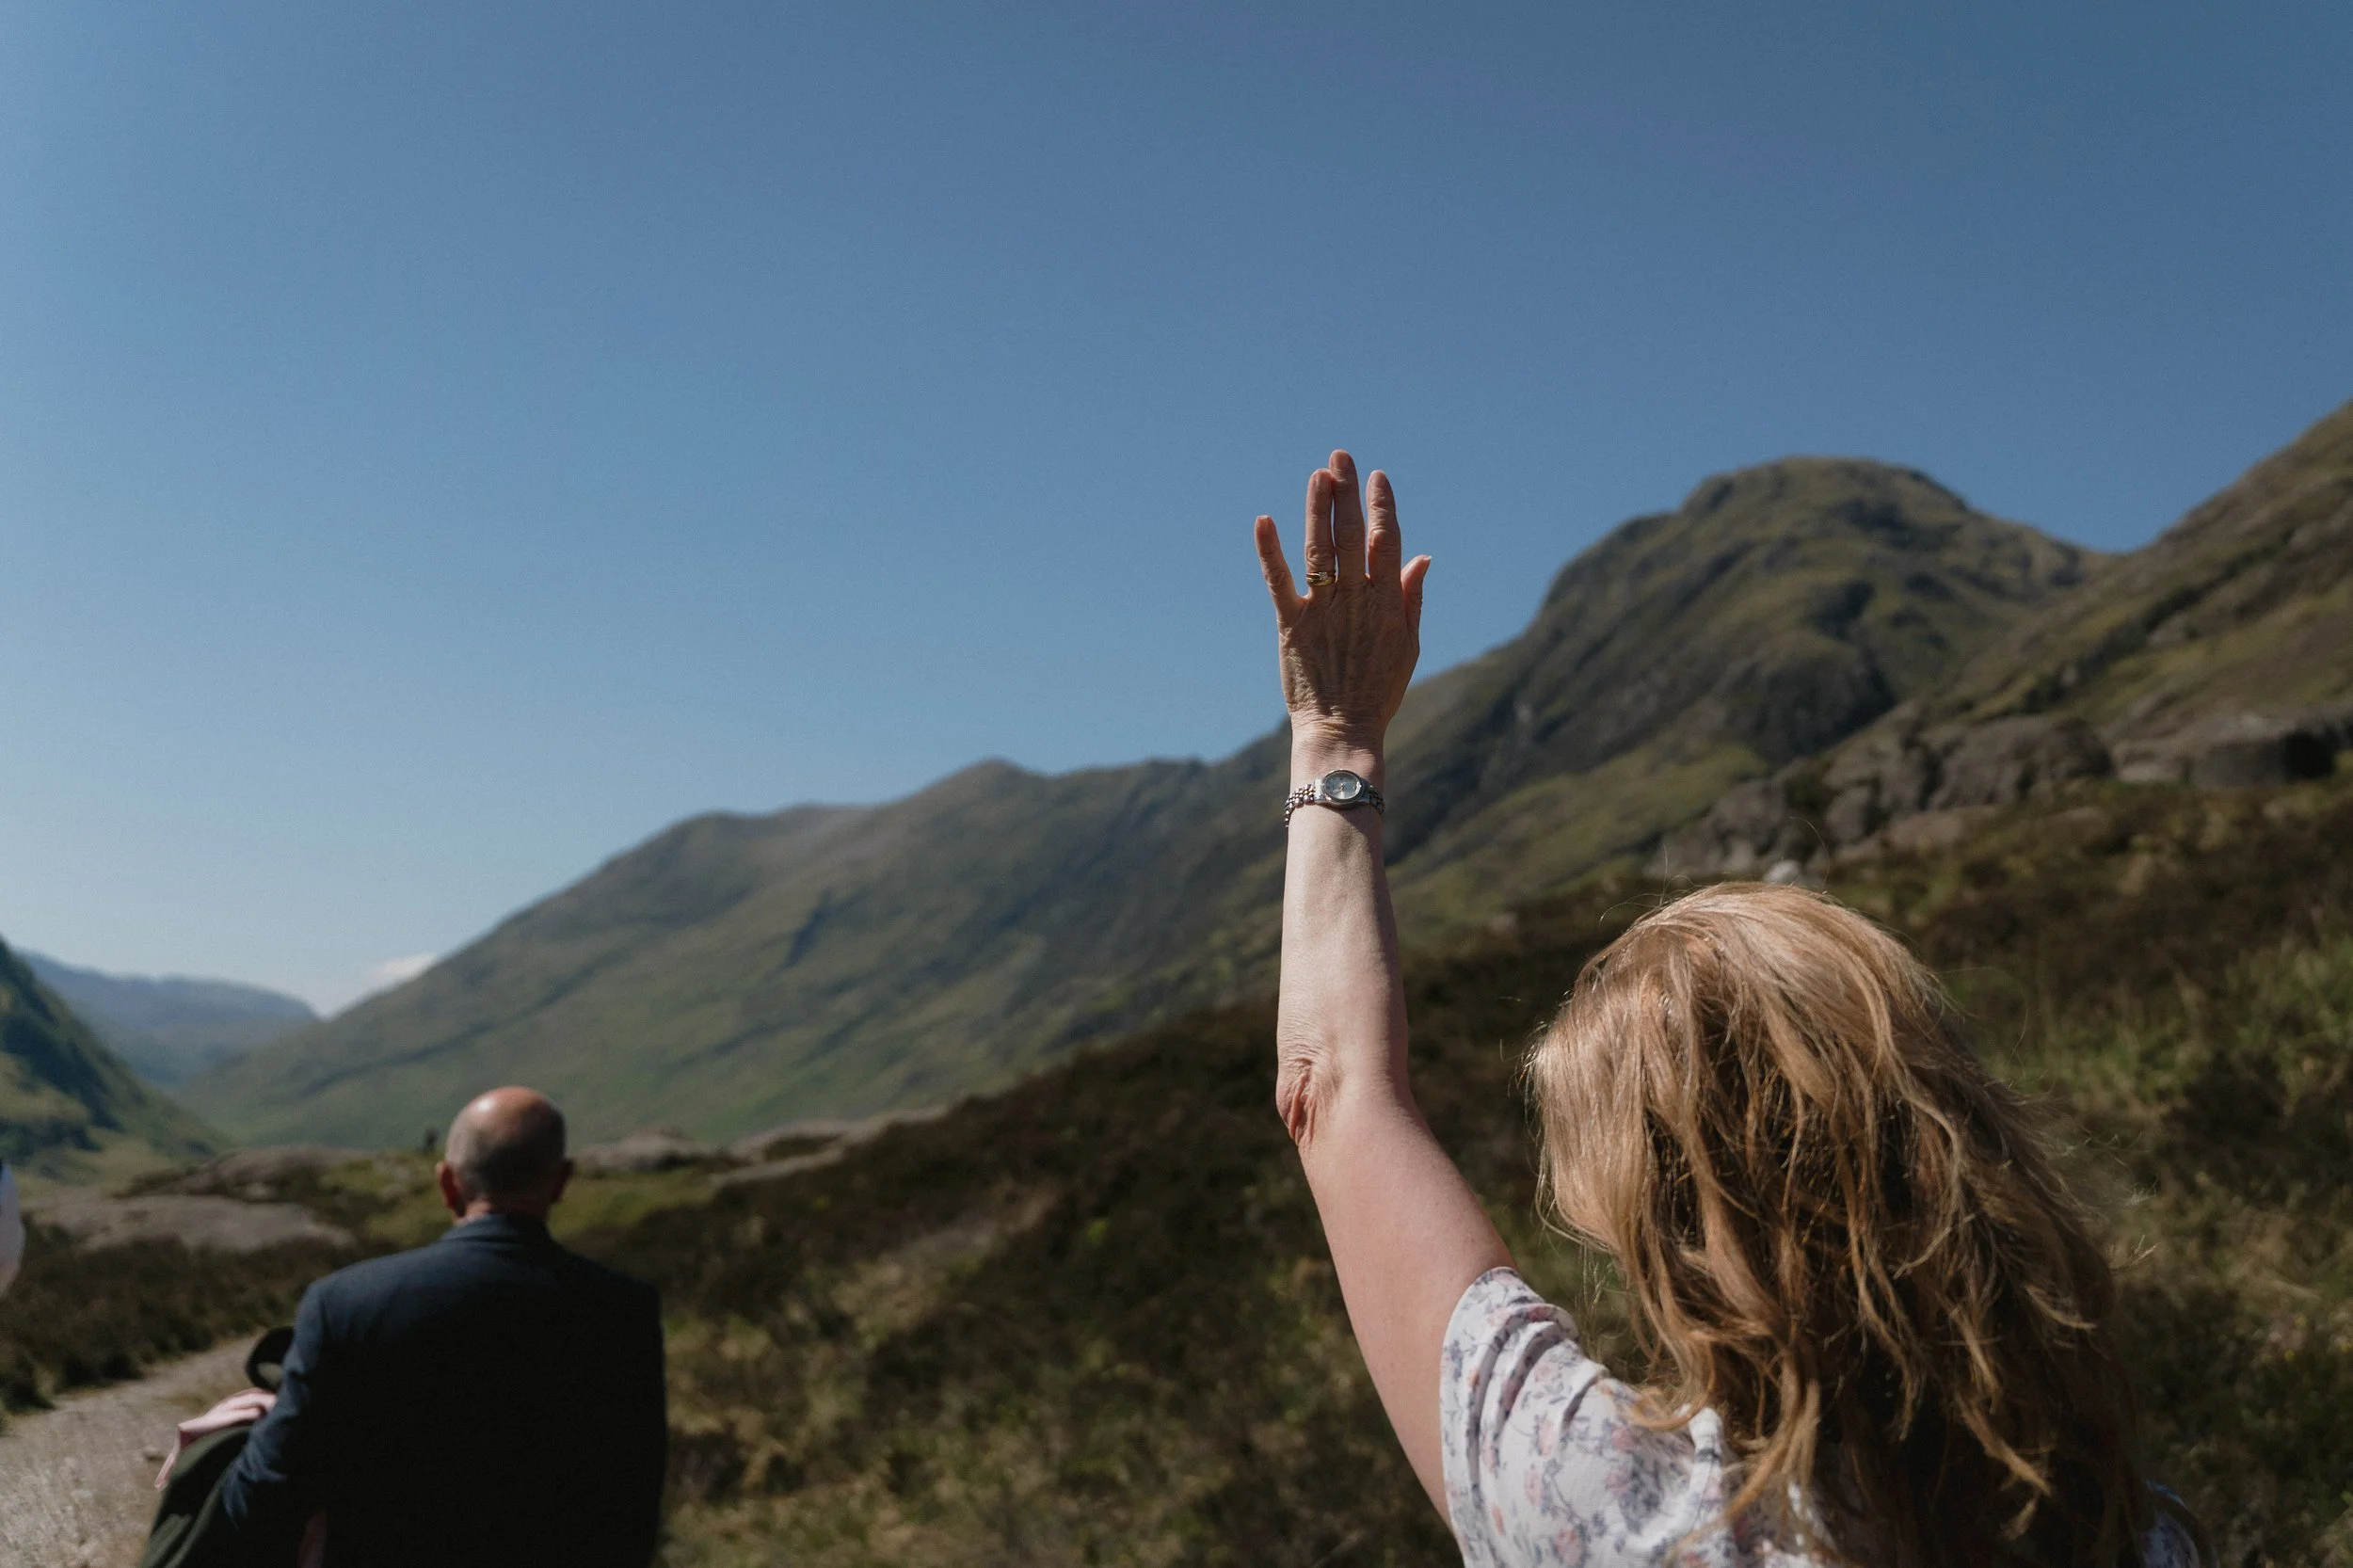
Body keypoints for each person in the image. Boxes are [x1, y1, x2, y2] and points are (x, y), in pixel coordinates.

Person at [1249, 453, 2205, 1567]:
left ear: (1670, 1227)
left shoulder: (1605, 1500)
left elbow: (1335, 1092)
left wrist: (1334, 737)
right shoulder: (2136, 1533)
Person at [200, 1086, 666, 1567]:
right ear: (561, 1182)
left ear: (448, 1184)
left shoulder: (344, 1305)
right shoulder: (623, 1311)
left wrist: (251, 1436)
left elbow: (263, 1498)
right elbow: (633, 1510)